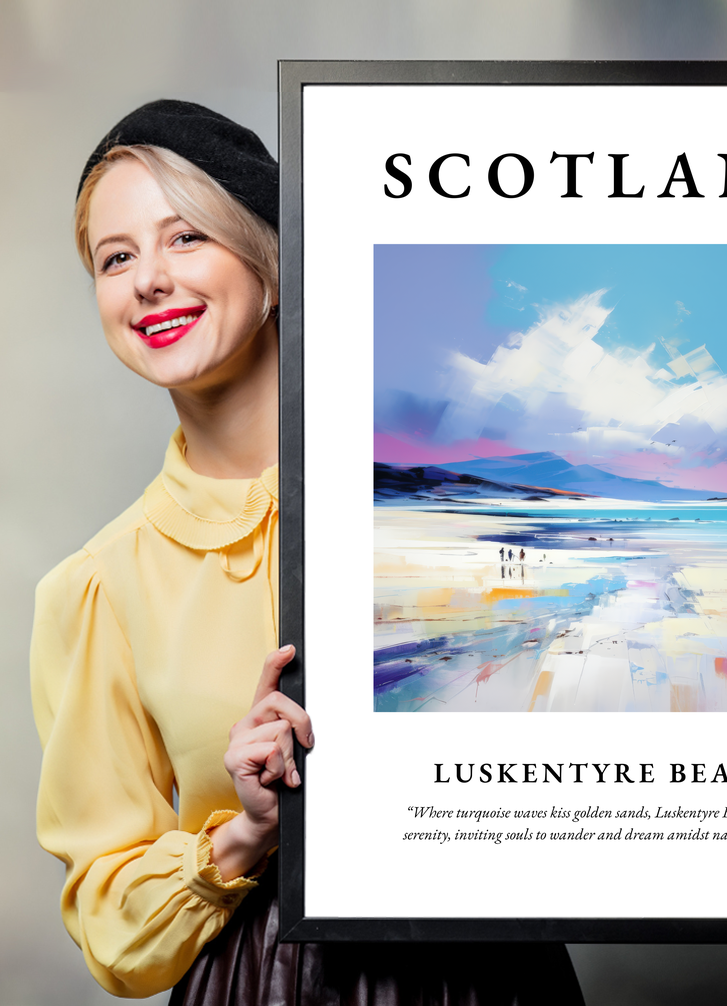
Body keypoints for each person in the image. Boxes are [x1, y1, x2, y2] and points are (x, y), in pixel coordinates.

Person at [30, 100, 585, 1004]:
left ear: (273, 264)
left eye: (186, 239)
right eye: (116, 257)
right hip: (263, 982)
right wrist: (245, 832)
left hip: (492, 973)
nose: (148, 281)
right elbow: (110, 924)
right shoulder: (97, 587)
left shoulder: (441, 509)